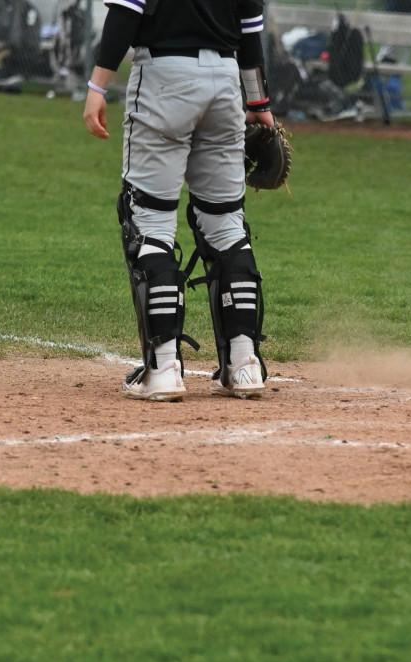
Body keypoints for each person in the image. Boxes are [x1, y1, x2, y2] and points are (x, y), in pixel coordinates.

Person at [82, 0, 273, 400]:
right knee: (225, 223)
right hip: (225, 79)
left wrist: (97, 87)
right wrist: (258, 104)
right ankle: (245, 364)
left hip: (164, 77)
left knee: (149, 224)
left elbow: (125, 14)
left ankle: (164, 369)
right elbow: (251, 28)